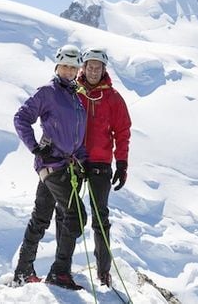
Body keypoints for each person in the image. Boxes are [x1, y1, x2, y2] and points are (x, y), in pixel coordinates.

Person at [12, 44, 88, 290]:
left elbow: (75, 136)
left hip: (64, 165)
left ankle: (24, 271)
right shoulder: (48, 92)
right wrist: (34, 146)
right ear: (57, 66)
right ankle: (60, 273)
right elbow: (21, 117)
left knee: (41, 216)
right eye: (65, 66)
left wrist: (82, 159)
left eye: (73, 67)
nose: (69, 71)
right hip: (53, 164)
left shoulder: (75, 96)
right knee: (76, 215)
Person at [76, 47, 132, 287]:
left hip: (100, 161)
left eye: (98, 67)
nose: (93, 71)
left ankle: (103, 271)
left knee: (100, 218)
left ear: (104, 70)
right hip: (74, 159)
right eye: (90, 66)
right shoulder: (73, 92)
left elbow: (122, 131)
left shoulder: (113, 98)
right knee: (68, 214)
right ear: (84, 67)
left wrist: (121, 162)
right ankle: (62, 269)